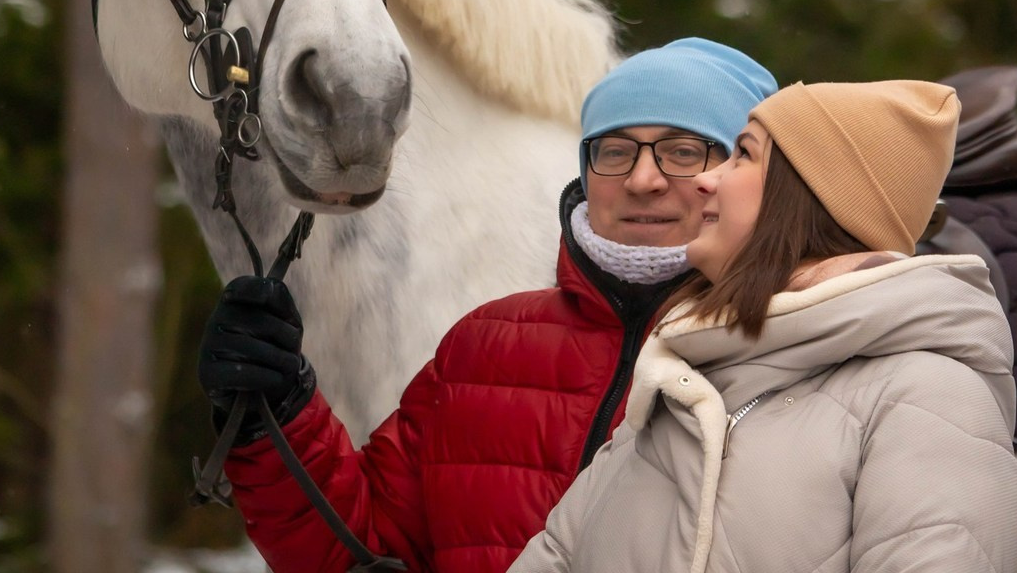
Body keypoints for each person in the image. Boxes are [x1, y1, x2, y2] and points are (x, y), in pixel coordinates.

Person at [197, 37, 777, 573]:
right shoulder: (484, 348)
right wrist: (276, 412)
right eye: (615, 150)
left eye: (682, 150)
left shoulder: (797, 351)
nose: (643, 178)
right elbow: (365, 547)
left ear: (741, 177)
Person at [509, 80, 1017, 573]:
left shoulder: (930, 397)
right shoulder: (681, 383)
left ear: (808, 197)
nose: (707, 178)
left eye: (744, 154)